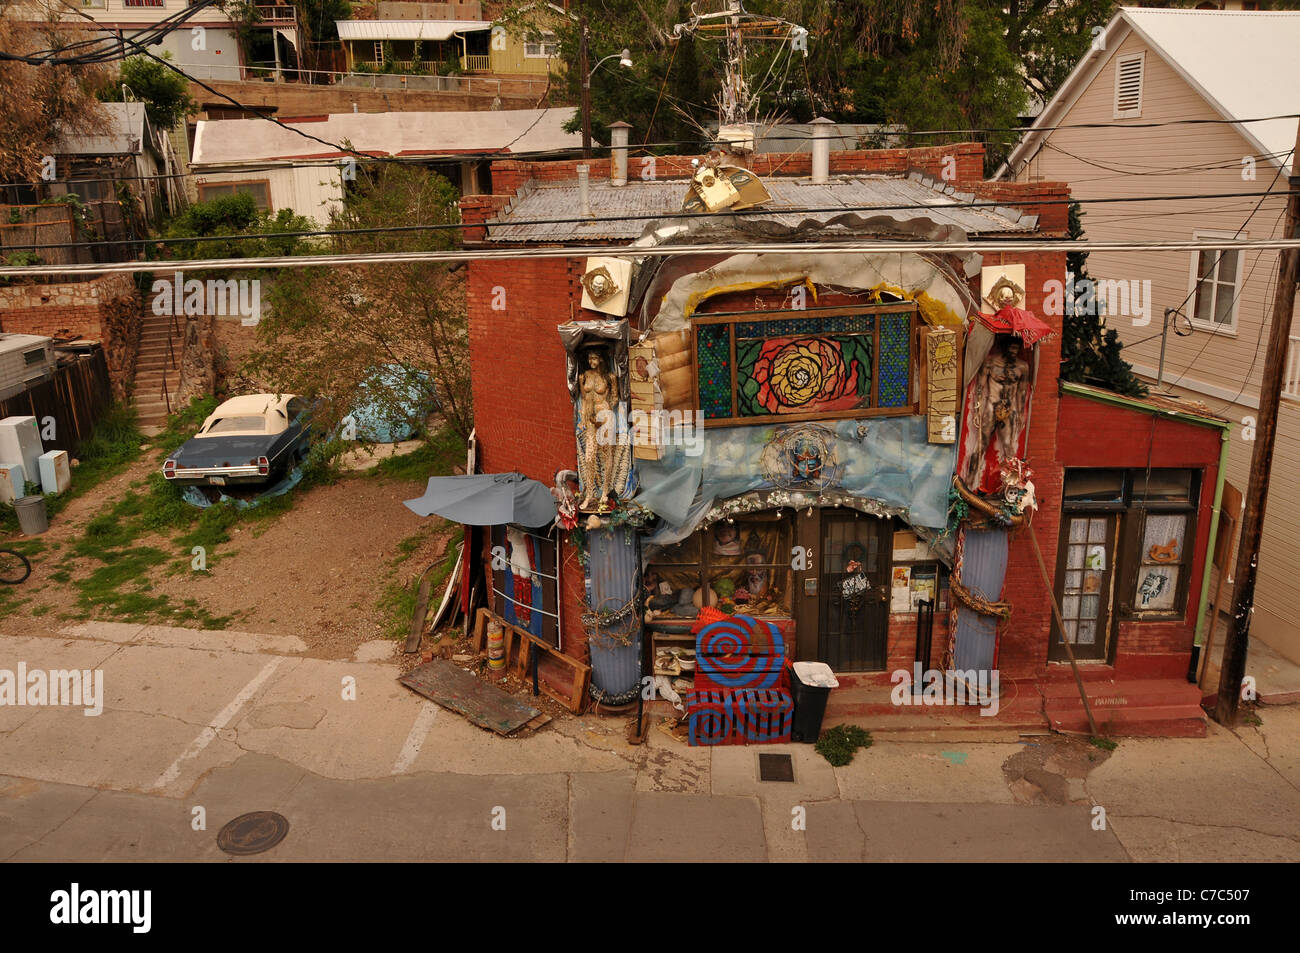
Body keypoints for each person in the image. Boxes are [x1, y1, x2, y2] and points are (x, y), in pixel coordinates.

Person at [578, 350, 620, 510]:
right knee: (589, 457)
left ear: (601, 359)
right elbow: (584, 396)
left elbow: (615, 398)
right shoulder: (586, 375)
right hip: (591, 417)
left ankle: (605, 491)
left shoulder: (609, 377)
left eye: (594, 357)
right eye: (589, 357)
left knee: (606, 453)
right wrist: (582, 386)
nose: (591, 361)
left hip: (605, 416)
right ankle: (589, 494)